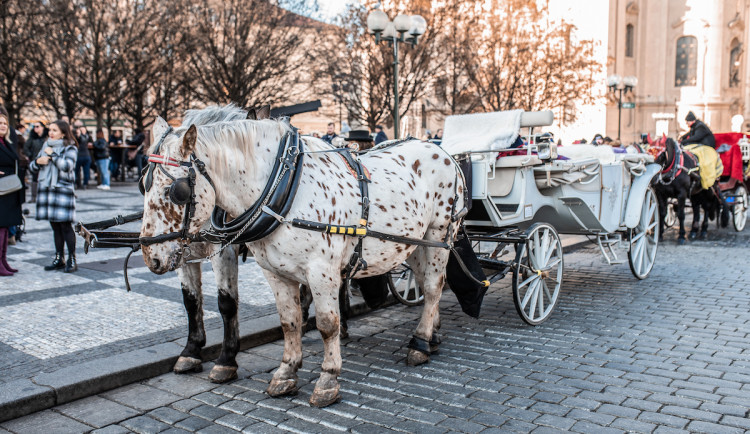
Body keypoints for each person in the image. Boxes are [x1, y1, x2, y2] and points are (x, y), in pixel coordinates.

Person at [28, 120, 79, 273]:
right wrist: (38, 161)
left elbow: (67, 166)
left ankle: (72, 258)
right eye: (50, 130)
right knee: (55, 226)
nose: (51, 133)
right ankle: (59, 258)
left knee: (65, 225)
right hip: (47, 189)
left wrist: (53, 155)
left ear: (63, 133)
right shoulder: (45, 146)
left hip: (62, 191)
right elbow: (32, 167)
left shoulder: (70, 147)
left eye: (55, 130)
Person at [0, 107, 23, 276]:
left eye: (4, 123)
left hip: (9, 189)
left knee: (6, 227)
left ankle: (3, 260)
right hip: (1, 190)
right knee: (1, 228)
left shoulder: (6, 141)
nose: (2, 125)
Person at [23, 122, 48, 203]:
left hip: (47, 161)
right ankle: (34, 197)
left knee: (46, 178)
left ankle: (45, 196)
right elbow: (25, 148)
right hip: (35, 161)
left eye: (37, 126)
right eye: (34, 127)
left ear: (42, 127)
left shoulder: (47, 137)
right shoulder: (32, 138)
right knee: (34, 179)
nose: (35, 128)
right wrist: (31, 156)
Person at [74, 122, 93, 189]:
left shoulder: (88, 137)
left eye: (83, 130)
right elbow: (77, 140)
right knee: (77, 171)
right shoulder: (78, 137)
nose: (83, 131)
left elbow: (91, 143)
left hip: (85, 155)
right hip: (80, 155)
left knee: (85, 171)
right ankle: (78, 183)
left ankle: (84, 184)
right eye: (81, 130)